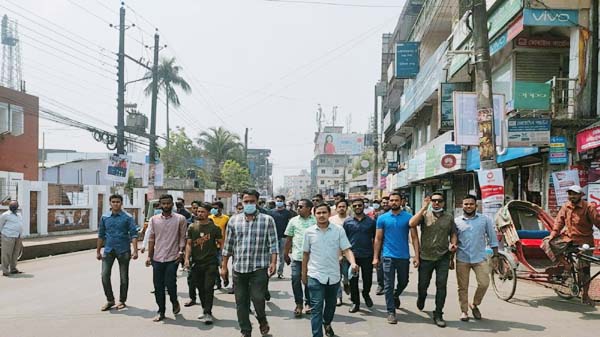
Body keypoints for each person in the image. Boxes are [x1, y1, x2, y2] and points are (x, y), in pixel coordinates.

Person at [221, 189, 278, 337]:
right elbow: (228, 245)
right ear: (241, 202)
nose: (249, 204)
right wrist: (224, 266)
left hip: (259, 267)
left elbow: (273, 244)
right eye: (246, 202)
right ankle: (246, 331)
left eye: (252, 201)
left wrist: (273, 262)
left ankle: (262, 319)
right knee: (241, 302)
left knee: (258, 298)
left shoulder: (267, 220)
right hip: (239, 268)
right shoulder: (234, 220)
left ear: (258, 202)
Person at [302, 202, 358, 337]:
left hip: (333, 275)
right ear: (314, 214)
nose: (321, 215)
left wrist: (353, 263)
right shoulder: (309, 232)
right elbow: (305, 254)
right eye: (318, 213)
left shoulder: (339, 230)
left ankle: (327, 323)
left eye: (324, 212)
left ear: (329, 214)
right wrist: (303, 274)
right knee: (316, 308)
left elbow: (346, 249)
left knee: (331, 305)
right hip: (315, 275)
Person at [409, 193, 457, 327]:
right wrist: (424, 208)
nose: (436, 203)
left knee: (441, 286)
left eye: (439, 201)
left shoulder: (449, 217)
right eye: (433, 201)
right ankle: (421, 297)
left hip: (443, 257)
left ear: (443, 203)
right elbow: (411, 223)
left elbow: (453, 233)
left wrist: (453, 244)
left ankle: (438, 313)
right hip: (425, 257)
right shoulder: (424, 215)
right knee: (423, 285)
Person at [547, 185, 600, 305]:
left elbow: (598, 222)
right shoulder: (566, 206)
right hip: (568, 239)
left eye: (574, 194)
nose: (572, 196)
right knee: (547, 242)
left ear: (581, 195)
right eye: (570, 194)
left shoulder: (588, 207)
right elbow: (559, 221)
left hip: (584, 241)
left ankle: (585, 295)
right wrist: (554, 234)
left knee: (584, 269)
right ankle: (567, 265)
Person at [373, 192, 418, 324]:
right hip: (387, 256)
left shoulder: (409, 218)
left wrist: (417, 256)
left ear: (401, 201)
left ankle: (395, 295)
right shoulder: (382, 218)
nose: (393, 202)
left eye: (396, 200)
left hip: (404, 256)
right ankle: (391, 312)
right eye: (391, 200)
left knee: (404, 281)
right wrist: (376, 257)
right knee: (388, 285)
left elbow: (414, 238)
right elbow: (378, 238)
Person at [454, 194, 499, 322]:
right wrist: (451, 257)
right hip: (462, 258)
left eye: (471, 204)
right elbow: (453, 239)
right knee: (462, 286)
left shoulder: (485, 220)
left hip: (480, 257)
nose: (468, 206)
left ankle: (474, 304)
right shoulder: (457, 221)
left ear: (476, 205)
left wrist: (495, 255)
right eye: (466, 204)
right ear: (462, 206)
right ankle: (464, 311)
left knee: (484, 283)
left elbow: (492, 238)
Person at [145, 194, 187, 322]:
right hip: (157, 258)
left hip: (173, 257)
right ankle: (161, 311)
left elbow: (182, 237)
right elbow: (151, 239)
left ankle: (174, 301)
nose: (166, 206)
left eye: (168, 203)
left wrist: (181, 253)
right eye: (163, 204)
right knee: (158, 286)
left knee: (170, 284)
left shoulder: (180, 219)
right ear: (160, 205)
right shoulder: (154, 219)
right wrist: (149, 256)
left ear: (172, 204)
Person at [96, 194, 138, 311]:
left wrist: (135, 251)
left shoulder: (127, 217)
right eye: (113, 202)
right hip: (108, 250)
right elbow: (101, 235)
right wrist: (98, 251)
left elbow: (133, 234)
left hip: (123, 250)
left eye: (118, 202)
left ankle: (122, 300)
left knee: (123, 277)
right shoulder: (105, 217)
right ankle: (110, 300)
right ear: (110, 203)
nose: (115, 204)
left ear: (121, 203)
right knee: (104, 275)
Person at [184, 202, 223, 324]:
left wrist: (222, 260)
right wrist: (186, 259)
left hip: (210, 262)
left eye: (202, 212)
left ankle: (208, 312)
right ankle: (204, 309)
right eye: (198, 211)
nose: (199, 213)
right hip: (196, 263)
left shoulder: (214, 228)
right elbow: (189, 244)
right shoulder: (192, 227)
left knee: (208, 288)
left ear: (208, 213)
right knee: (200, 288)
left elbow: (221, 243)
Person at [283, 199, 316, 317]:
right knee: (295, 279)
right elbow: (289, 239)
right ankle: (298, 303)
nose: (298, 208)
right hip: (297, 257)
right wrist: (286, 254)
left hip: (313, 258)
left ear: (309, 208)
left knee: (309, 282)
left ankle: (309, 303)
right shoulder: (293, 221)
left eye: (301, 207)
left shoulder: (316, 221)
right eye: (298, 206)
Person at [343, 199, 376, 313]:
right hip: (352, 256)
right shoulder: (347, 222)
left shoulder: (371, 222)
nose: (357, 207)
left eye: (360, 205)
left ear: (363, 206)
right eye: (355, 205)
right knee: (353, 281)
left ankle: (366, 294)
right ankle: (355, 302)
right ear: (352, 207)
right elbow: (343, 240)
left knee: (368, 280)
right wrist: (343, 254)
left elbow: (376, 239)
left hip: (367, 255)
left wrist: (377, 256)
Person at [329, 199, 350, 305]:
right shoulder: (331, 220)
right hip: (334, 251)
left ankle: (346, 284)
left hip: (347, 251)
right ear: (336, 208)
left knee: (346, 274)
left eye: (344, 206)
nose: (342, 208)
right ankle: (338, 296)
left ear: (347, 208)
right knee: (337, 275)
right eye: (339, 206)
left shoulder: (350, 220)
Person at [270, 195, 295, 279]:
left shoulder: (288, 213)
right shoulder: (271, 212)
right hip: (273, 237)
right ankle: (271, 271)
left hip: (284, 237)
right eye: (277, 200)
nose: (279, 202)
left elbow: (291, 225)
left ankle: (280, 272)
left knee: (282, 256)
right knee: (271, 256)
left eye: (280, 200)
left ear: (283, 201)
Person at [209, 201, 230, 289]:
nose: (214, 209)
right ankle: (217, 282)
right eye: (213, 208)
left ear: (221, 208)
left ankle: (225, 278)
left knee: (222, 264)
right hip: (211, 246)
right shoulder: (209, 218)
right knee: (213, 266)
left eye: (216, 208)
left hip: (222, 245)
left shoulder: (226, 218)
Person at [0, 200, 24, 276]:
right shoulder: (5, 215)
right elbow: (0, 225)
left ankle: (13, 269)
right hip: (8, 236)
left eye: (15, 206)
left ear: (17, 207)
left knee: (15, 253)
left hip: (18, 236)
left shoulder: (19, 214)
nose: (13, 207)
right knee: (6, 254)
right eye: (12, 205)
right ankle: (5, 270)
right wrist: (3, 235)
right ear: (9, 207)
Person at [375, 196, 390, 295]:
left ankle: (388, 285)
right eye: (383, 203)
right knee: (379, 266)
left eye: (386, 202)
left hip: (390, 244)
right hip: (380, 243)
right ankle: (381, 285)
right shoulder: (378, 215)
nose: (385, 204)